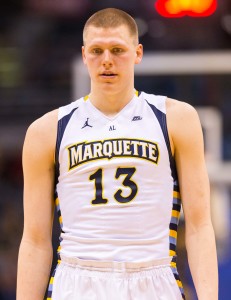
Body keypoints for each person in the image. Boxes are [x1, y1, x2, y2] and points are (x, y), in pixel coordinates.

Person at [17, 8, 218, 300]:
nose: (107, 60)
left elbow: (200, 225)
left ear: (138, 53)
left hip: (154, 275)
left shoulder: (176, 118)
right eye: (97, 50)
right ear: (84, 55)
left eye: (117, 50)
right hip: (77, 279)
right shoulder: (46, 130)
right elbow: (35, 241)